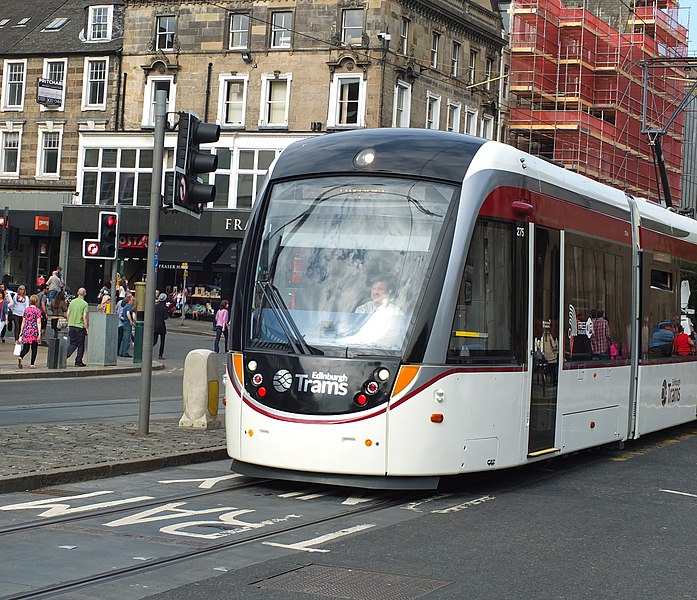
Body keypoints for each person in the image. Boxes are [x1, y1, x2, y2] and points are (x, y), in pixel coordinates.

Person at [66, 287, 90, 367]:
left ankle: (64, 355)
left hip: (71, 325)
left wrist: (69, 322)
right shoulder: (85, 304)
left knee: (72, 343)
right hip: (80, 326)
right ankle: (78, 361)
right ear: (85, 294)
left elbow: (68, 313)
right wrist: (87, 328)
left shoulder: (72, 302)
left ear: (77, 293)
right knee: (80, 345)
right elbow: (85, 317)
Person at [17, 295, 42, 369]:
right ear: (36, 302)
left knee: (26, 347)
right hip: (34, 330)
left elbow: (23, 322)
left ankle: (21, 356)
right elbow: (38, 323)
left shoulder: (26, 310)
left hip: (26, 330)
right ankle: (32, 363)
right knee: (34, 348)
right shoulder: (37, 311)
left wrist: (21, 332)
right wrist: (39, 334)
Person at [153, 293, 168, 359]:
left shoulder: (155, 306)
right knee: (162, 341)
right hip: (162, 325)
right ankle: (160, 354)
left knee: (154, 340)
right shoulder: (165, 308)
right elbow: (165, 317)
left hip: (155, 325)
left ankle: (147, 350)